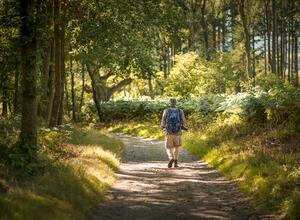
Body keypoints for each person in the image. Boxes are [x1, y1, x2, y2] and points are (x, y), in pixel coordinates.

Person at [161, 98, 187, 168]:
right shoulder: (180, 111)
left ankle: (171, 158)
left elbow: (163, 120)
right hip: (178, 132)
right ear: (176, 103)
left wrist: (163, 127)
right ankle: (175, 162)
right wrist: (184, 127)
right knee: (177, 147)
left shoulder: (166, 110)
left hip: (168, 132)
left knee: (168, 147)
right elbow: (183, 121)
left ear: (170, 103)